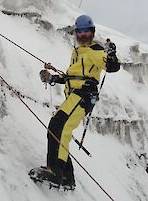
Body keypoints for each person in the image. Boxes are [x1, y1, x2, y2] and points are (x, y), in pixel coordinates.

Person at [29, 14, 121, 189]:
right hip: (75, 95)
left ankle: (55, 171)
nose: (83, 35)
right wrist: (53, 79)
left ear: (92, 33)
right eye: (80, 32)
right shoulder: (76, 53)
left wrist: (111, 55)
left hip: (83, 95)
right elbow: (71, 77)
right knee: (62, 130)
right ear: (76, 34)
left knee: (57, 126)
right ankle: (67, 177)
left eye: (87, 31)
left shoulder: (96, 51)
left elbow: (112, 66)